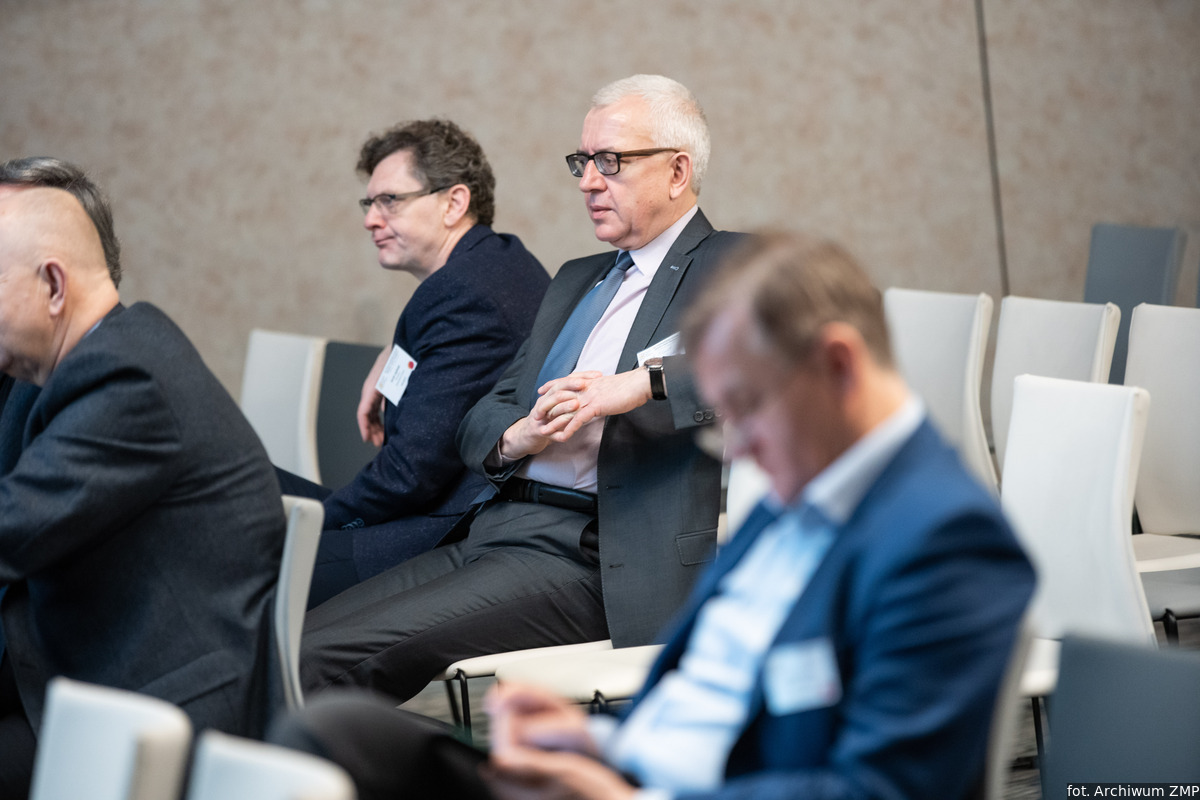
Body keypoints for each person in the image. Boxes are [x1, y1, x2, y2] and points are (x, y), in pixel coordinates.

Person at [271, 231, 1036, 800]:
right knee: (336, 732)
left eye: (745, 409)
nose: (738, 447)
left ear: (837, 365)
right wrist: (594, 740)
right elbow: (703, 698)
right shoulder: (797, 494)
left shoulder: (947, 541)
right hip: (627, 769)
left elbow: (879, 790)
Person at [300, 74, 744, 702]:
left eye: (611, 162)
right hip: (497, 526)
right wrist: (521, 434)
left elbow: (780, 357)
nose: (588, 181)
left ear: (677, 172)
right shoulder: (577, 279)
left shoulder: (732, 265)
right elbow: (484, 417)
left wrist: (640, 384)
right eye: (583, 162)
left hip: (594, 555)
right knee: (291, 641)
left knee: (318, 661)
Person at [0, 157, 285, 798]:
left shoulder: (126, 378)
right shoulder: (112, 352)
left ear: (53, 285)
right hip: (93, 681)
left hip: (151, 710)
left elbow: (12, 527)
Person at [275, 119, 549, 608]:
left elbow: (408, 477)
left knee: (241, 534)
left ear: (454, 203)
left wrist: (318, 522)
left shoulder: (465, 293)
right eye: (369, 203)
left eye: (390, 200)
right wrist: (394, 351)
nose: (371, 219)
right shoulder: (497, 261)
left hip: (438, 535)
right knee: (244, 485)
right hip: (431, 510)